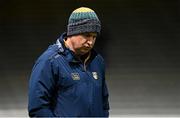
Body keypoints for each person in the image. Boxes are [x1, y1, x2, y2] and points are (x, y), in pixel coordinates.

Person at [28, 7, 110, 117]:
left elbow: (104, 104)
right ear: (72, 32)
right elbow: (38, 109)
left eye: (94, 37)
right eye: (86, 35)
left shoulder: (97, 61)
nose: (90, 42)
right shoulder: (49, 61)